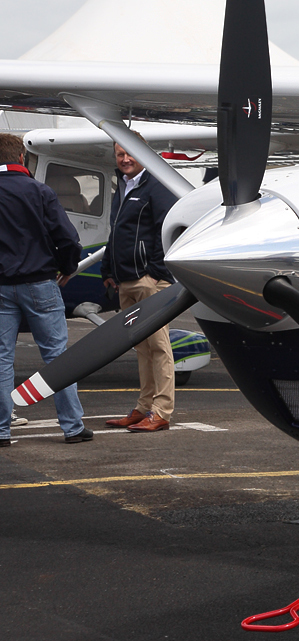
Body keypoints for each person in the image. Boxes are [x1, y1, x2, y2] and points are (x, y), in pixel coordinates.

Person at [0, 132, 91, 446]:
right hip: (40, 283)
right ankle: (72, 427)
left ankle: (1, 430)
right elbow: (67, 239)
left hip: (1, 288)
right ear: (21, 158)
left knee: (1, 358)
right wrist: (67, 268)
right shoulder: (40, 192)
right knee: (56, 357)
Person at [102, 142, 179, 433]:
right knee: (141, 348)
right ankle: (144, 406)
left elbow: (165, 229)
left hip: (148, 281)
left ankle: (161, 411)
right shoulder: (121, 188)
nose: (124, 159)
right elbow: (115, 233)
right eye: (119, 154)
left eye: (129, 153)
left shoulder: (155, 188)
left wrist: (155, 273)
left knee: (159, 346)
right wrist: (107, 270)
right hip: (125, 281)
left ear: (143, 154)